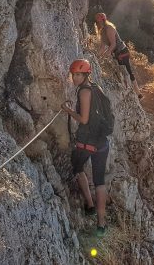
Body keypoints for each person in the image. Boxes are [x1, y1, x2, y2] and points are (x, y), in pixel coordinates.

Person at [61, 59, 109, 237]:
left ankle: (89, 204)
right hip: (102, 142)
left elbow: (83, 120)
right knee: (100, 181)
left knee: (77, 167)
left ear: (85, 74)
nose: (74, 77)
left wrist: (68, 110)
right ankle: (101, 223)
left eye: (78, 74)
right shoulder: (97, 88)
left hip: (87, 143)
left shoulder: (84, 92)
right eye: (73, 74)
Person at [95, 12, 143, 99]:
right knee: (120, 71)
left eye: (99, 20)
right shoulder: (102, 31)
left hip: (122, 52)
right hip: (116, 53)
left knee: (127, 71)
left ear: (102, 20)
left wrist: (107, 53)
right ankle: (128, 90)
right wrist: (96, 57)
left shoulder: (109, 28)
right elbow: (102, 47)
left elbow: (113, 44)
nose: (98, 22)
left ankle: (138, 93)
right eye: (97, 21)